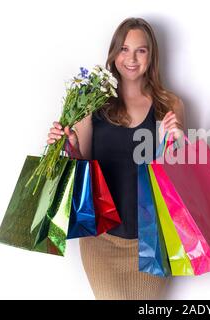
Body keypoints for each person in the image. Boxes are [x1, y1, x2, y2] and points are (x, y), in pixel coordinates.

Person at [46, 17, 185, 300]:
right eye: (124, 49)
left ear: (151, 55)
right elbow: (83, 165)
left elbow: (176, 179)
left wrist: (177, 142)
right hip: (102, 240)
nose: (131, 58)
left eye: (140, 50)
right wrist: (69, 145)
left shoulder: (169, 104)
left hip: (153, 240)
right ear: (114, 53)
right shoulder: (91, 101)